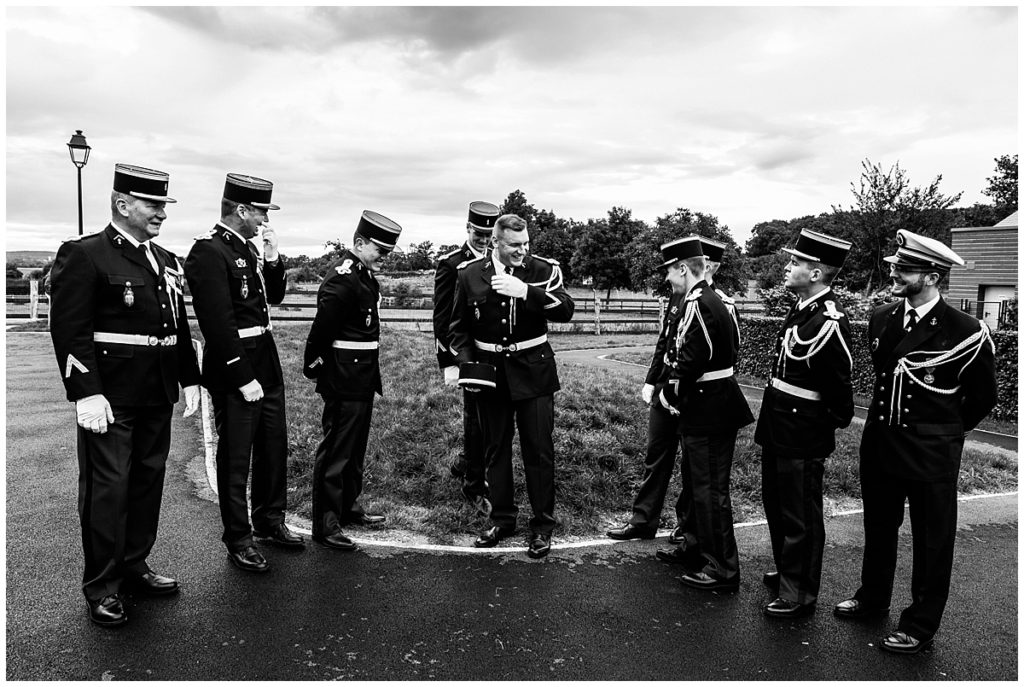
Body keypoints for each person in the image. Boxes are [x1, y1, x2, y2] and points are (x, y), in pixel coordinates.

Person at [49, 163, 201, 627]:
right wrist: (85, 393)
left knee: (146, 483)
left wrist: (190, 378)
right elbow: (70, 330)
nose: (161, 215)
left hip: (156, 391)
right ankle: (103, 585)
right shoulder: (86, 255)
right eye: (154, 205)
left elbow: (174, 326)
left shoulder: (167, 261)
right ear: (122, 204)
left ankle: (135, 565)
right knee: (107, 492)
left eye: (163, 206)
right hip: (111, 398)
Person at [834, 230, 997, 654]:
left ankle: (920, 623)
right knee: (879, 526)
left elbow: (982, 397)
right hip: (883, 442)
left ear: (932, 277)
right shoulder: (882, 317)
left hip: (932, 452)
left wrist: (943, 432)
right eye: (894, 265)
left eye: (904, 269)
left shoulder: (966, 331)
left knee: (932, 538)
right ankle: (873, 598)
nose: (894, 273)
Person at [184, 173, 302, 575]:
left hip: (264, 356)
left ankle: (271, 520)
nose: (263, 221)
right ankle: (239, 537)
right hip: (236, 363)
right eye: (261, 213)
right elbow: (216, 323)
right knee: (236, 457)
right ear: (241, 209)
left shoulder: (248, 249)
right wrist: (242, 375)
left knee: (272, 446)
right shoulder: (207, 251)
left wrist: (271, 256)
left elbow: (275, 297)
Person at [448, 213, 575, 559]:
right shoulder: (470, 274)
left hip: (534, 373)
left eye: (526, 244)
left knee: (538, 451)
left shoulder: (543, 271)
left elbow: (566, 309)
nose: (523, 251)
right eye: (515, 245)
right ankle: (502, 520)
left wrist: (527, 292)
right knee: (495, 450)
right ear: (495, 243)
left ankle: (542, 526)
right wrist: (466, 367)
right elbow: (457, 328)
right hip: (490, 375)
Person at [754, 229, 854, 618]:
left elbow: (838, 386)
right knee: (777, 505)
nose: (787, 266)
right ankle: (787, 570)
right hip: (779, 423)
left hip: (803, 429)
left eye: (795, 262)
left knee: (800, 513)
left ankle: (799, 592)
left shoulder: (828, 320)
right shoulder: (803, 308)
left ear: (816, 273)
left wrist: (821, 424)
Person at [652, 236, 753, 591]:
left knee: (711, 491)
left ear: (683, 267)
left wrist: (669, 391)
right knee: (697, 485)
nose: (667, 278)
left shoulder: (700, 303)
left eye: (669, 270)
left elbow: (692, 360)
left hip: (710, 406)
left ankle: (722, 568)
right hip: (707, 405)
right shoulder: (706, 300)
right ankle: (695, 547)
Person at [302, 211, 403, 551]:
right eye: (380, 252)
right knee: (336, 451)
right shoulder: (343, 277)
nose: (384, 259)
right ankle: (326, 523)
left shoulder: (363, 274)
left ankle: (348, 506)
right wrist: (314, 364)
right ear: (359, 244)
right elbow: (322, 330)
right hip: (343, 376)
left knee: (355, 449)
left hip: (361, 374)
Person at [433, 201, 499, 516]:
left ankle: (467, 462)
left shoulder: (499, 260)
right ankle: (474, 484)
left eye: (489, 234)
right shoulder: (451, 264)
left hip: (497, 353)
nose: (485, 240)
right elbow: (442, 318)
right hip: (467, 352)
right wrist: (447, 361)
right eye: (479, 233)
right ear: (468, 228)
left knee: (490, 419)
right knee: (476, 420)